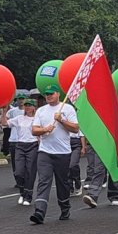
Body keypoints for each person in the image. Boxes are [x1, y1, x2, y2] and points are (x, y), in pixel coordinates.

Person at [29, 85, 79, 225]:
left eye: (51, 93)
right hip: (45, 152)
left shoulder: (67, 109)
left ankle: (65, 208)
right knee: (44, 181)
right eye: (47, 94)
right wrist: (45, 129)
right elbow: (34, 130)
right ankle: (39, 211)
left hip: (63, 153)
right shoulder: (41, 110)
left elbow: (75, 129)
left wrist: (61, 120)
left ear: (58, 94)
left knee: (62, 183)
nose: (48, 96)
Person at [0, 98, 38, 205]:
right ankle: (22, 192)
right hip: (20, 145)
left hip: (33, 145)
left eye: (30, 105)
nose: (27, 107)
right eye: (26, 105)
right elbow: (4, 123)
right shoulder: (19, 118)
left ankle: (28, 197)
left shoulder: (37, 119)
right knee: (19, 172)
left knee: (30, 171)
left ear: (34, 107)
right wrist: (4, 111)